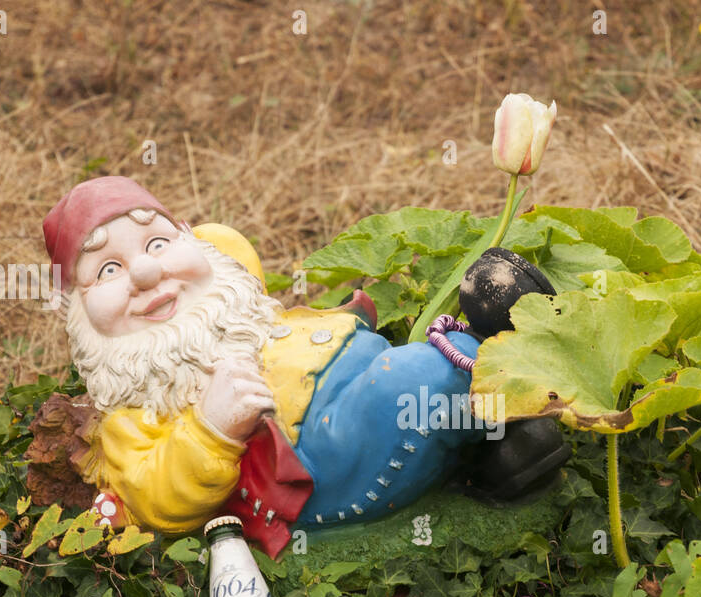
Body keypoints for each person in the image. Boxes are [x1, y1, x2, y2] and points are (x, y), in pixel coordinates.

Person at [41, 176, 565, 557]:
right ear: (77, 311)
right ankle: (504, 358)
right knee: (413, 385)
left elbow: (227, 254)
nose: (149, 270)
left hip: (357, 377)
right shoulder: (132, 412)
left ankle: (499, 438)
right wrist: (211, 430)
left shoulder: (222, 293)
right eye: (108, 269)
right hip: (319, 461)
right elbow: (155, 498)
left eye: (158, 243)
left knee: (409, 375)